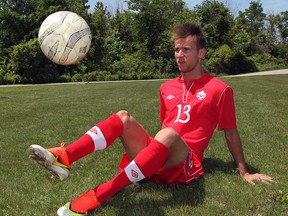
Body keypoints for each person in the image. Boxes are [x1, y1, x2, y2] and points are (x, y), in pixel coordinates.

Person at [29, 23, 274, 216]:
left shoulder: (220, 89)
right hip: (156, 158)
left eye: (186, 50)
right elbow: (164, 126)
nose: (179, 55)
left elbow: (230, 132)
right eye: (176, 49)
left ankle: (98, 195)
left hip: (185, 163)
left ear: (201, 53)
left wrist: (243, 171)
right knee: (123, 117)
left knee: (168, 134)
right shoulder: (166, 87)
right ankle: (65, 157)